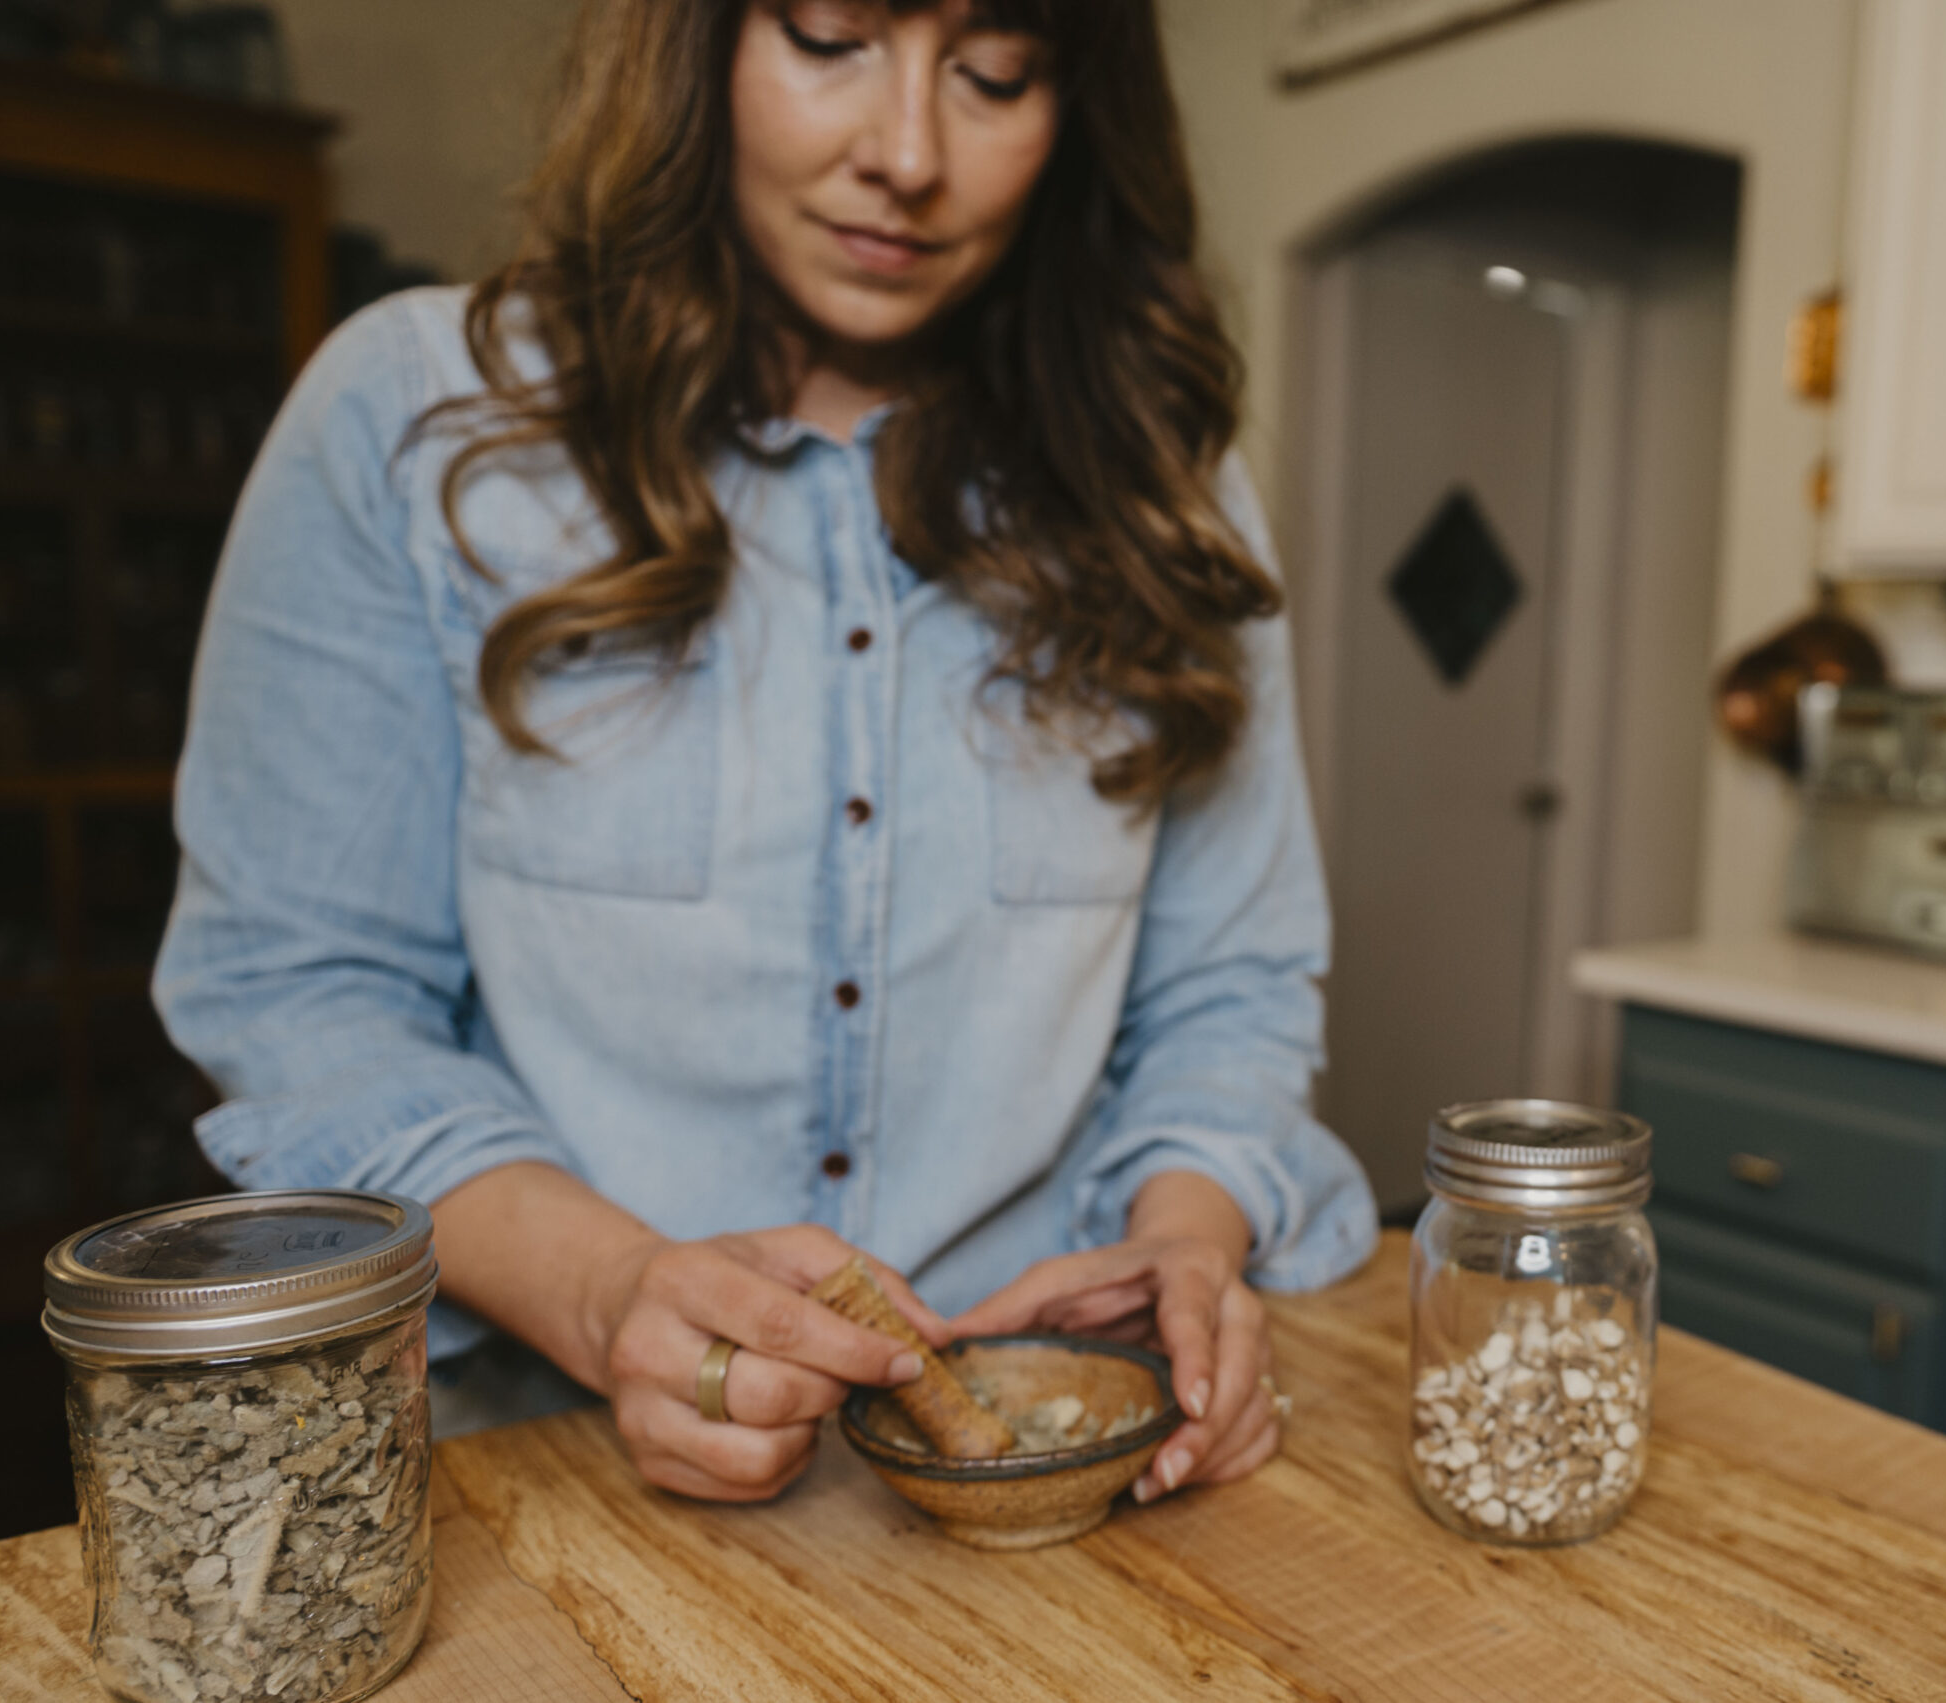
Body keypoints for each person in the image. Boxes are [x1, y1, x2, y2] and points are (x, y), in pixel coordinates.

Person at [155, 0, 1375, 1506]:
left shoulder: (1161, 480)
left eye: (997, 72)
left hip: (1051, 1485)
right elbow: (300, 991)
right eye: (829, 37)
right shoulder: (412, 419)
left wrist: (1182, 1247)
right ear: (694, 43)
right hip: (552, 1481)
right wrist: (613, 1297)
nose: (910, 153)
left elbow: (1230, 992)